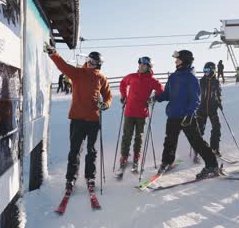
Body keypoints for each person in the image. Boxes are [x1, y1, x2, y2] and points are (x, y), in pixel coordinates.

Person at [44, 43, 112, 191]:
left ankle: (90, 177)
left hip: (93, 120)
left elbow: (108, 96)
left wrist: (105, 105)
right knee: (74, 150)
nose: (89, 63)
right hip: (77, 119)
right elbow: (62, 66)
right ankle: (71, 179)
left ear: (98, 65)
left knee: (91, 151)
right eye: (88, 59)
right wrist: (53, 53)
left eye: (93, 62)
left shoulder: (101, 78)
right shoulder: (77, 73)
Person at [151, 50, 220, 179]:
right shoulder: (173, 76)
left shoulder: (191, 77)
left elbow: (195, 99)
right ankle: (167, 162)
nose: (175, 61)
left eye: (178, 59)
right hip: (173, 115)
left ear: (185, 61)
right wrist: (156, 98)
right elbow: (167, 94)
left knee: (196, 142)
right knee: (169, 141)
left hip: (186, 117)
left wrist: (189, 115)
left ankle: (212, 165)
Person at [117, 56, 164, 174]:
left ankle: (136, 159)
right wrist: (124, 97)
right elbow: (122, 83)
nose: (141, 66)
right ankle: (124, 157)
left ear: (149, 67)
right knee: (126, 136)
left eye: (144, 65)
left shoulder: (153, 80)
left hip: (142, 114)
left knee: (139, 137)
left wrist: (153, 98)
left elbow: (161, 92)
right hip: (129, 111)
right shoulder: (132, 77)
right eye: (140, 64)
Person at [195, 62, 222, 161]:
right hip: (201, 109)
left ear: (212, 70)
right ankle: (198, 151)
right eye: (204, 70)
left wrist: (219, 102)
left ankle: (214, 148)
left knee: (216, 128)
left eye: (207, 70)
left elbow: (218, 93)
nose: (205, 72)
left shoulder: (216, 81)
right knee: (199, 130)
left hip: (212, 109)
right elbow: (196, 94)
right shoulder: (201, 81)